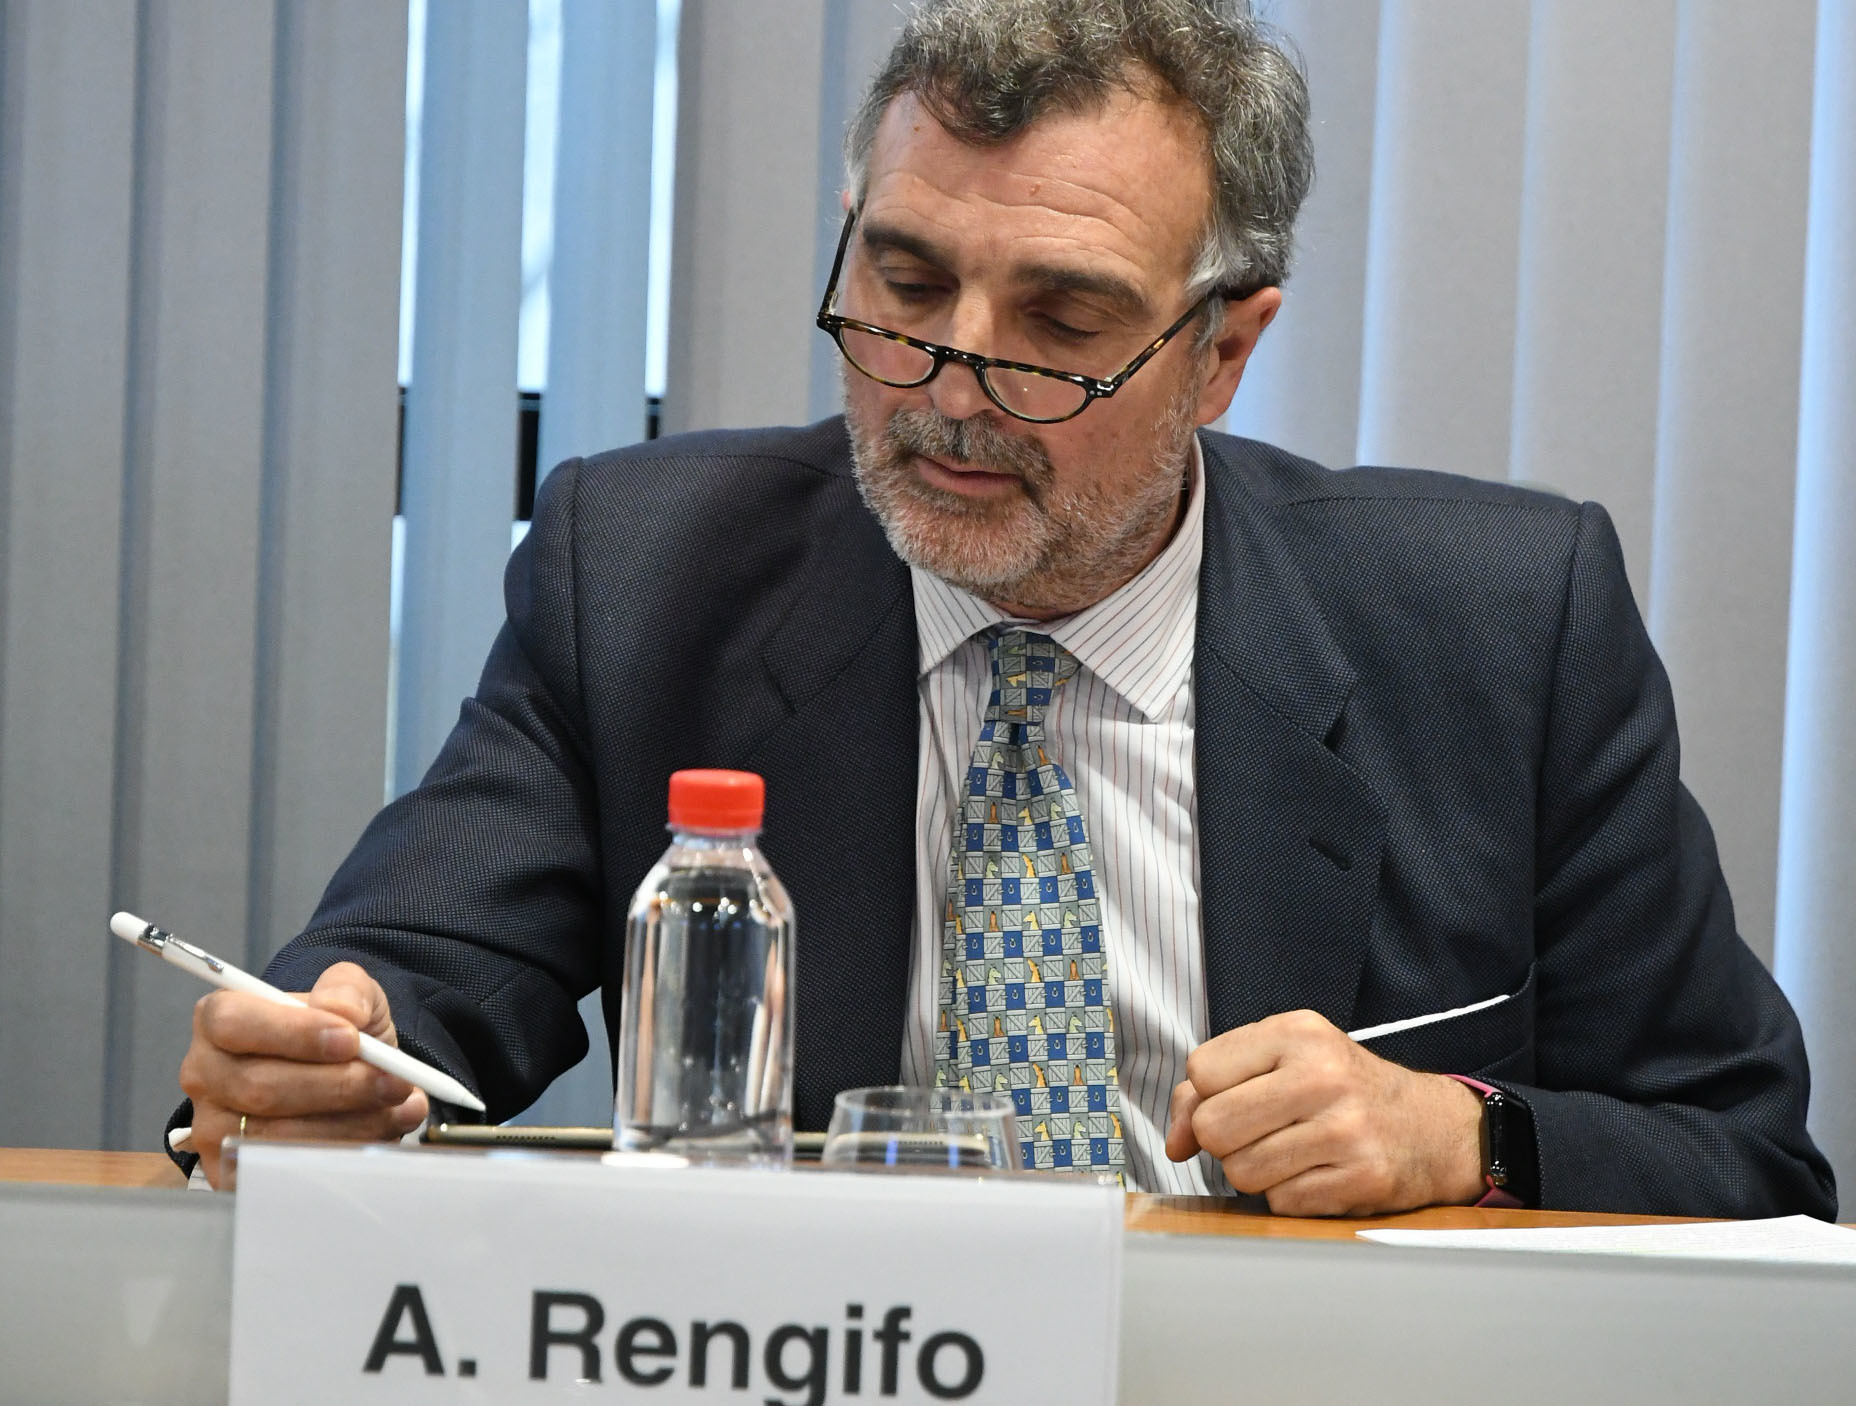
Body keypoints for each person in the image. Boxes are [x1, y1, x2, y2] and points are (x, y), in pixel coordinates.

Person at [170, 0, 1834, 1218]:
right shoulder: (645, 568)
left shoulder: (1503, 625)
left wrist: (1462, 1133)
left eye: (1061, 321)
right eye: (904, 283)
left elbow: (1745, 1149)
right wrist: (322, 1058)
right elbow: (413, 973)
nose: (949, 388)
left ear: (1224, 350)